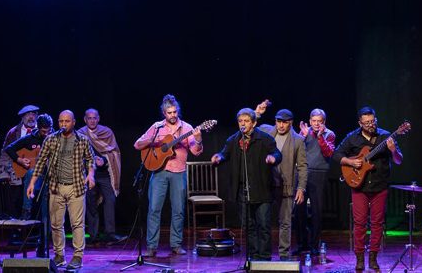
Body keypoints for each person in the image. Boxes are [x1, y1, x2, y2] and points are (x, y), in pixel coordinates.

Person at [133, 94, 204, 257]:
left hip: (179, 173)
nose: (172, 115)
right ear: (164, 113)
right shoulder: (157, 127)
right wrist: (154, 141)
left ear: (178, 111)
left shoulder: (187, 128)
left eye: (174, 112)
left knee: (178, 210)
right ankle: (151, 246)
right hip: (158, 172)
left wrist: (198, 140)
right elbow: (137, 144)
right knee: (154, 209)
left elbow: (195, 151)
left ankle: (176, 244)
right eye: (169, 113)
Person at [333, 106, 402, 270]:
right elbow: (336, 154)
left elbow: (399, 160)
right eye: (367, 123)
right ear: (360, 123)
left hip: (380, 186)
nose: (371, 125)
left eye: (373, 121)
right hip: (359, 187)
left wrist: (393, 151)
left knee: (377, 224)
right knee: (360, 223)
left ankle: (373, 258)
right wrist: (350, 162)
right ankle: (359, 259)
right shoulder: (352, 138)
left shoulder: (385, 136)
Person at [27, 110, 96, 270]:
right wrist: (32, 183)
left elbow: (90, 158)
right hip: (56, 187)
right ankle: (59, 255)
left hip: (76, 187)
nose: (63, 124)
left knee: (77, 224)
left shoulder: (82, 140)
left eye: (67, 121)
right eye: (61, 121)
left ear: (73, 122)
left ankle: (78, 256)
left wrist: (90, 174)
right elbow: (41, 161)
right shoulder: (51, 140)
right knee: (56, 224)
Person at [212, 107, 282, 261]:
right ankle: (253, 255)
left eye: (246, 121)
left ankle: (264, 256)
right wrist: (218, 158)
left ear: (254, 123)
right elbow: (224, 154)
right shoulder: (233, 140)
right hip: (242, 191)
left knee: (263, 225)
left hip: (262, 189)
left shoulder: (265, 139)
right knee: (248, 226)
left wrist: (272, 158)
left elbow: (278, 154)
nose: (242, 124)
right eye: (240, 121)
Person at [254, 102, 307, 261]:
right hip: (266, 184)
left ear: (290, 122)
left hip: (286, 186)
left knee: (285, 222)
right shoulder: (266, 131)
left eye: (284, 122)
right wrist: (257, 113)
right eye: (278, 121)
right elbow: (248, 129)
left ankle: (284, 254)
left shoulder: (297, 140)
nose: (281, 125)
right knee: (263, 221)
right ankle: (263, 254)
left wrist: (301, 188)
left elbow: (303, 166)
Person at [3, 113, 54, 258]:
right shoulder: (29, 138)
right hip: (33, 180)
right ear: (38, 127)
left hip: (48, 180)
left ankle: (42, 246)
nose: (46, 134)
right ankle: (26, 208)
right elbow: (9, 149)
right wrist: (19, 160)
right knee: (31, 172)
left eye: (49, 131)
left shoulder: (54, 139)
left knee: (46, 215)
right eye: (44, 131)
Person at [77, 108, 127, 245]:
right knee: (91, 203)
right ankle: (93, 235)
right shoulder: (80, 134)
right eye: (89, 118)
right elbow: (78, 155)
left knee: (110, 200)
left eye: (94, 118)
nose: (92, 120)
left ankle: (110, 234)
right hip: (89, 174)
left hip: (105, 174)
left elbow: (114, 152)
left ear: (98, 119)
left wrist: (104, 160)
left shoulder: (107, 132)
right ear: (85, 119)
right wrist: (91, 162)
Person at [296, 108, 336, 258]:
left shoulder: (329, 134)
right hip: (303, 173)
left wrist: (319, 137)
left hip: (319, 174)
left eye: (320, 121)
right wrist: (302, 136)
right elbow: (297, 150)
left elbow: (329, 153)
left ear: (324, 122)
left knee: (316, 211)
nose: (316, 124)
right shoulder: (305, 132)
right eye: (314, 121)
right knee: (298, 210)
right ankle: (302, 244)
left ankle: (314, 245)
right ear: (310, 120)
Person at [0, 104, 39, 219]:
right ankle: (18, 228)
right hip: (15, 172)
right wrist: (3, 173)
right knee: (14, 200)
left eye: (33, 114)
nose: (31, 117)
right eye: (28, 115)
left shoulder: (43, 130)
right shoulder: (13, 132)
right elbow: (5, 152)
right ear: (22, 117)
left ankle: (34, 228)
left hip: (36, 174)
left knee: (34, 200)